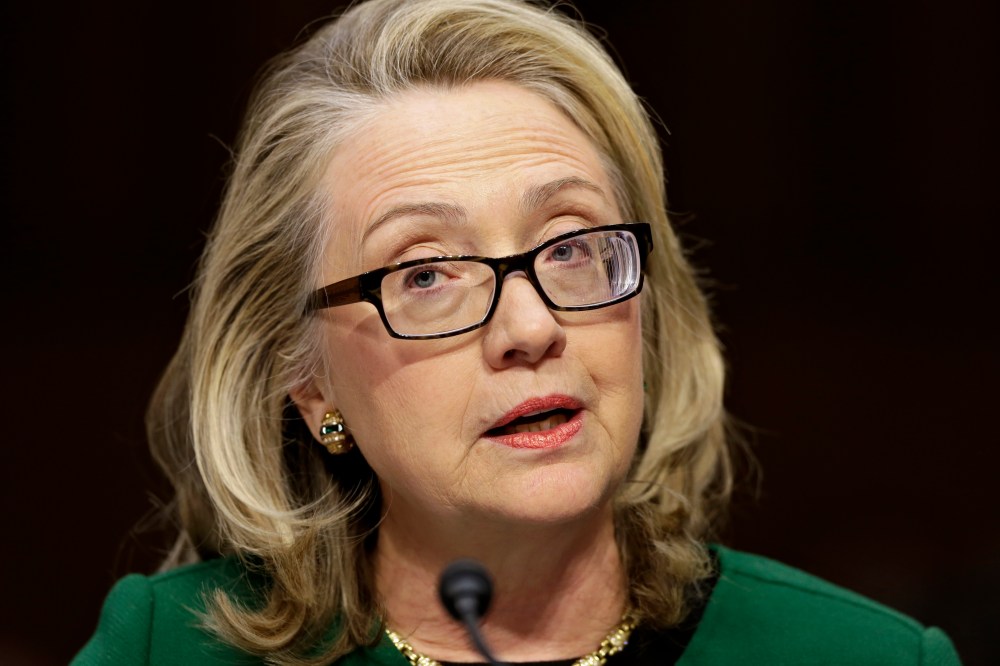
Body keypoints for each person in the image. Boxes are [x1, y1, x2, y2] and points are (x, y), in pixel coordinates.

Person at [73, 1, 961, 664]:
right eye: (423, 274)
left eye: (571, 247)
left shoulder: (862, 655)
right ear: (309, 384)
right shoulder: (168, 647)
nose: (531, 328)